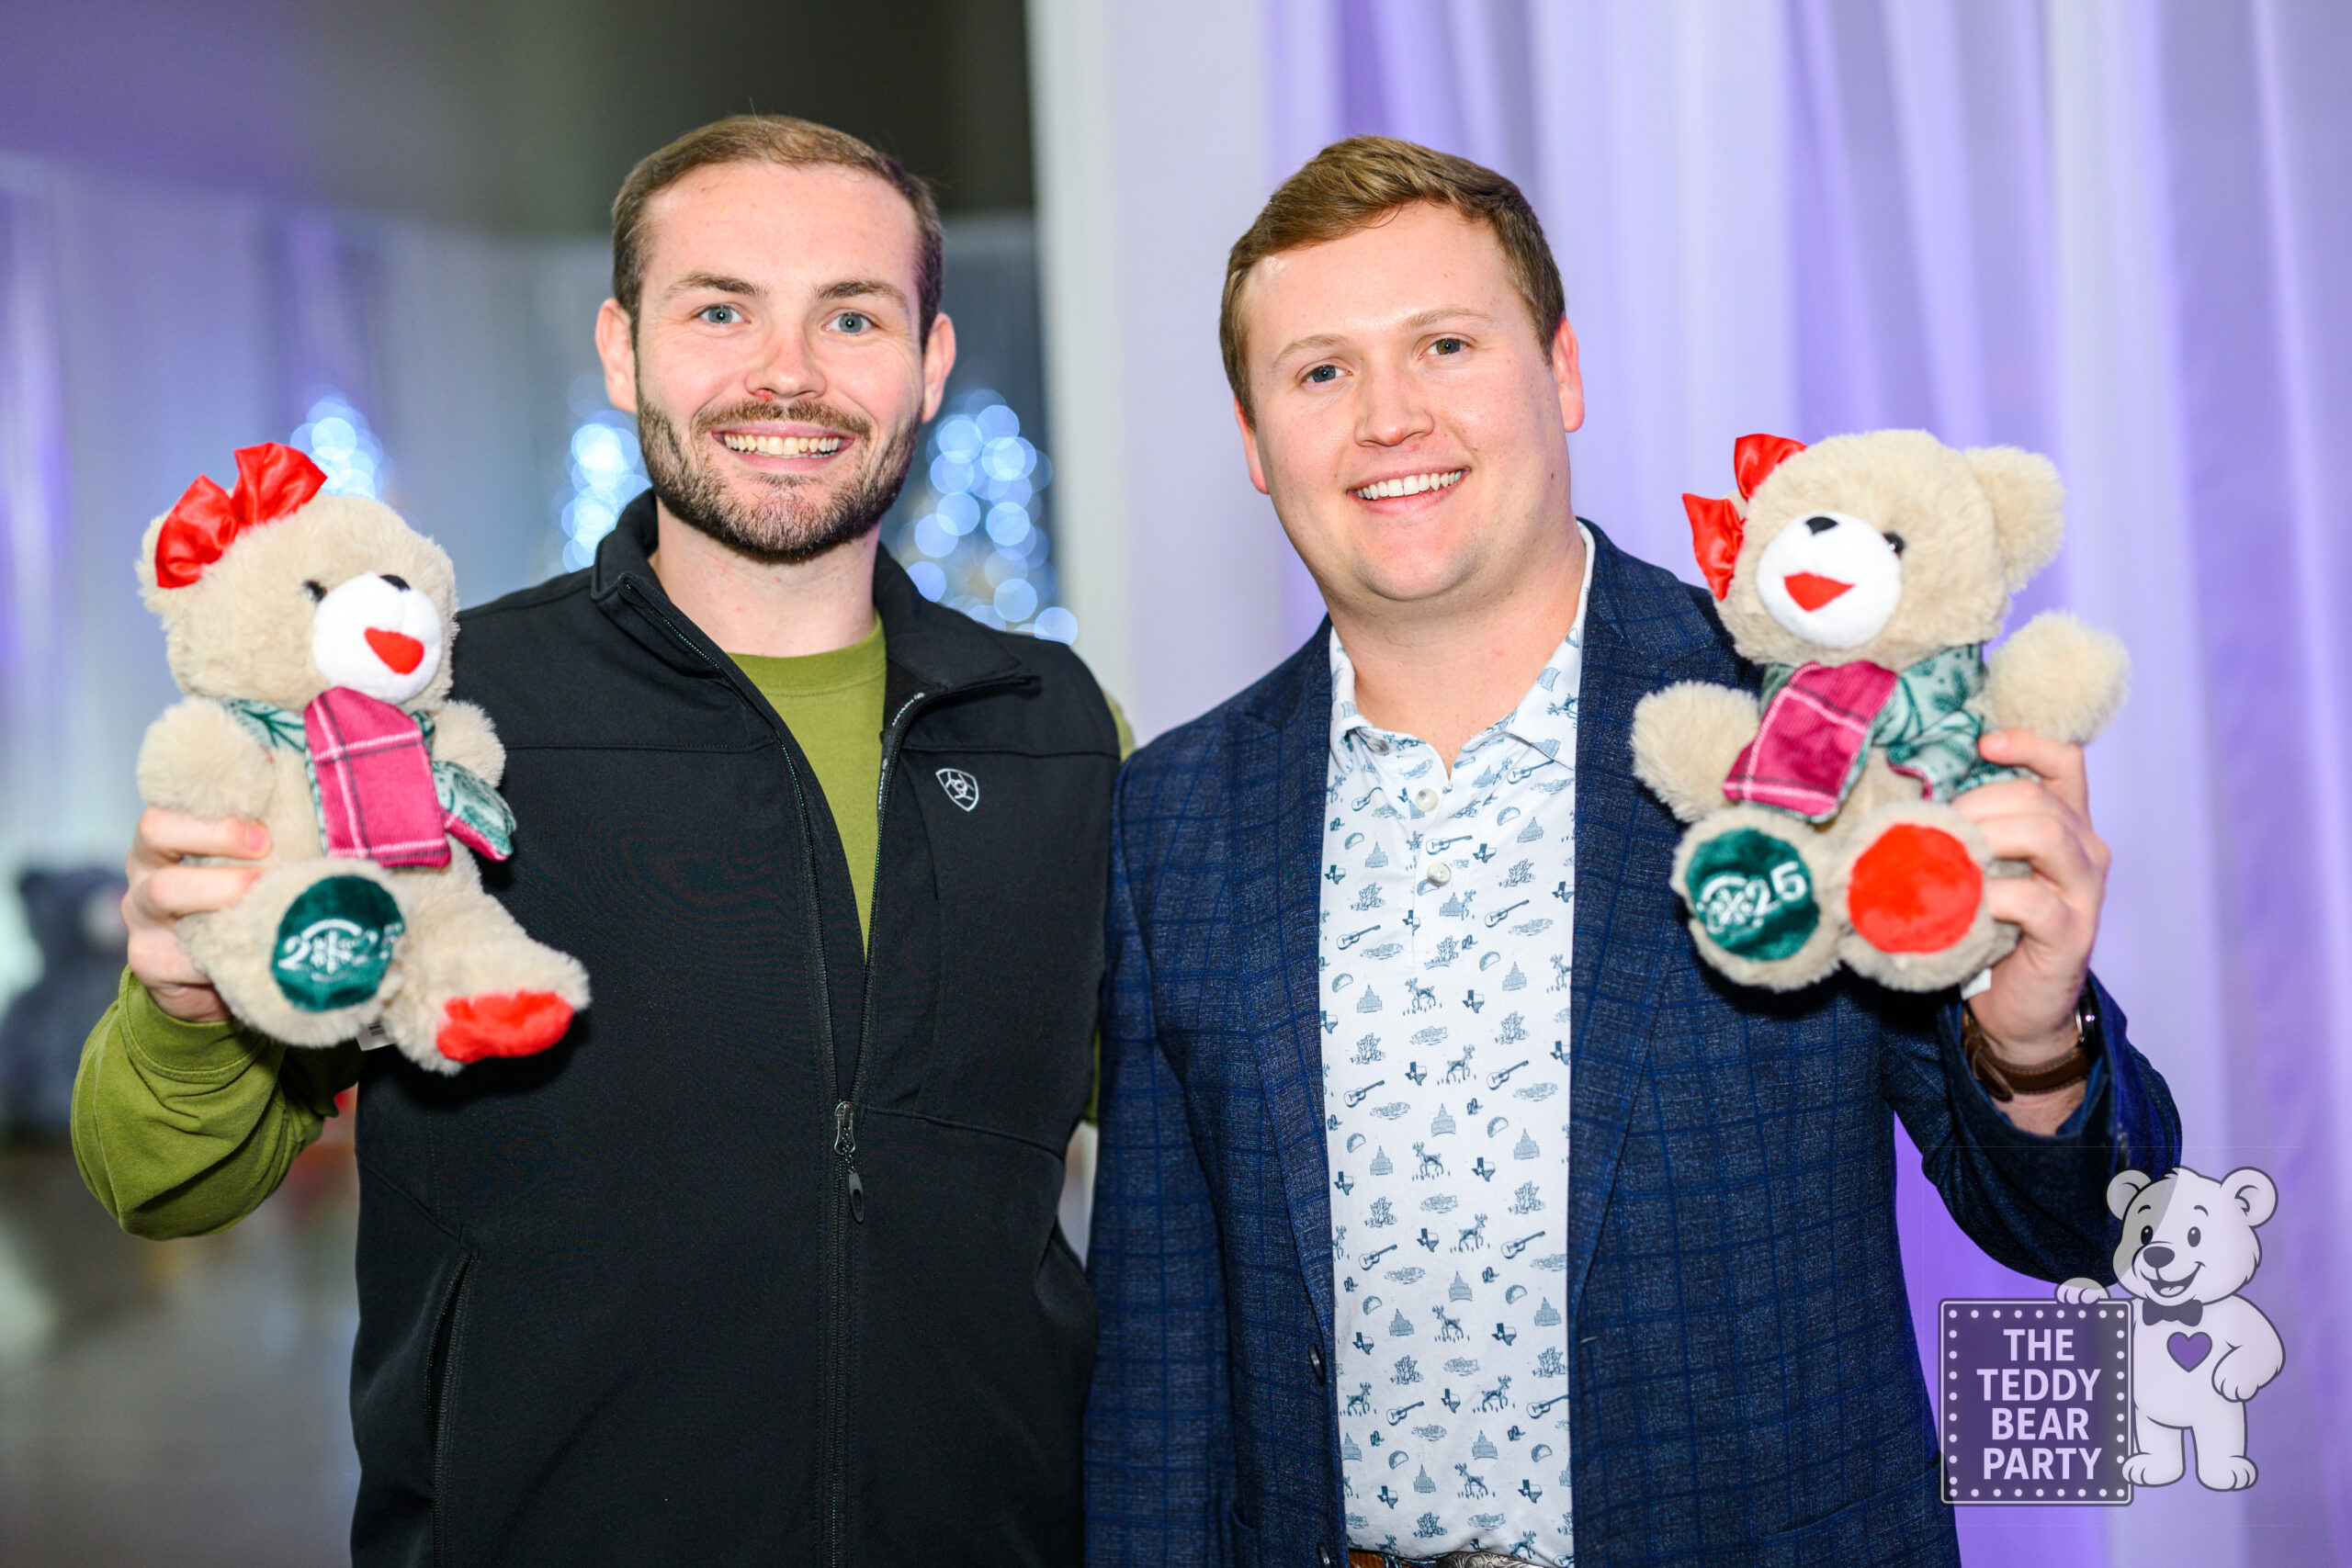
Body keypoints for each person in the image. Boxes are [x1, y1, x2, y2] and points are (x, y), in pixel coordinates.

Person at [1083, 137, 2177, 1568]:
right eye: (1321, 371)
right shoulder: (1173, 815)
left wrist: (2033, 1047)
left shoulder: (1805, 722)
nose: (1388, 417)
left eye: (1446, 345)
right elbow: (1160, 1370)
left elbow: (2085, 1233)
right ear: (1253, 439)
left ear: (1564, 373)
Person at [74, 116, 1121, 1566]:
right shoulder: (433, 716)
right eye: (720, 311)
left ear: (930, 362)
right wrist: (188, 1014)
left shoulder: (1050, 726)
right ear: (623, 352)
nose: (788, 374)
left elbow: (1172, 1136)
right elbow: (161, 1178)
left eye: (852, 317)